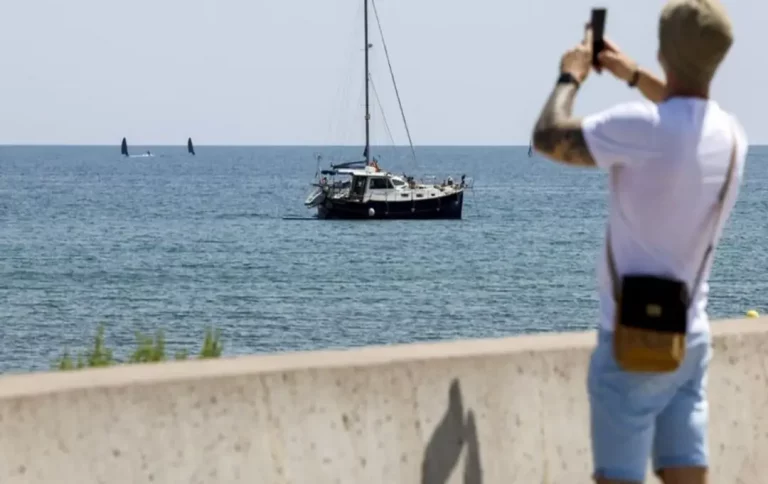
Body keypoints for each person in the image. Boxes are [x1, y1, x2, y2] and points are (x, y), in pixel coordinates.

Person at [531, 1, 746, 483]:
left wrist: (572, 76)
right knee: (685, 468)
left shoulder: (641, 127)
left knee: (618, 475)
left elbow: (548, 137)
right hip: (691, 337)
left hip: (631, 341)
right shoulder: (733, 137)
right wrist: (630, 74)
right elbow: (683, 110)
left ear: (664, 50)